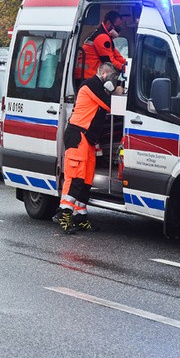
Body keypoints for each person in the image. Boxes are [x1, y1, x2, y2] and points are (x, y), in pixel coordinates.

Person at [55, 62, 124, 234]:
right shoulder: (91, 85)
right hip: (78, 135)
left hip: (87, 139)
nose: (111, 80)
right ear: (102, 73)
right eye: (110, 76)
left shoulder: (100, 89)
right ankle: (64, 213)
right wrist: (118, 91)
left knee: (86, 179)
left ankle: (80, 215)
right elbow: (111, 106)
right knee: (75, 176)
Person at [77, 11, 127, 82]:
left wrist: (127, 65)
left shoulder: (106, 37)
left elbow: (116, 56)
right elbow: (109, 62)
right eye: (117, 26)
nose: (118, 29)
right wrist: (124, 69)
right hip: (88, 77)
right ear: (109, 23)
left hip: (89, 76)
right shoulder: (102, 37)